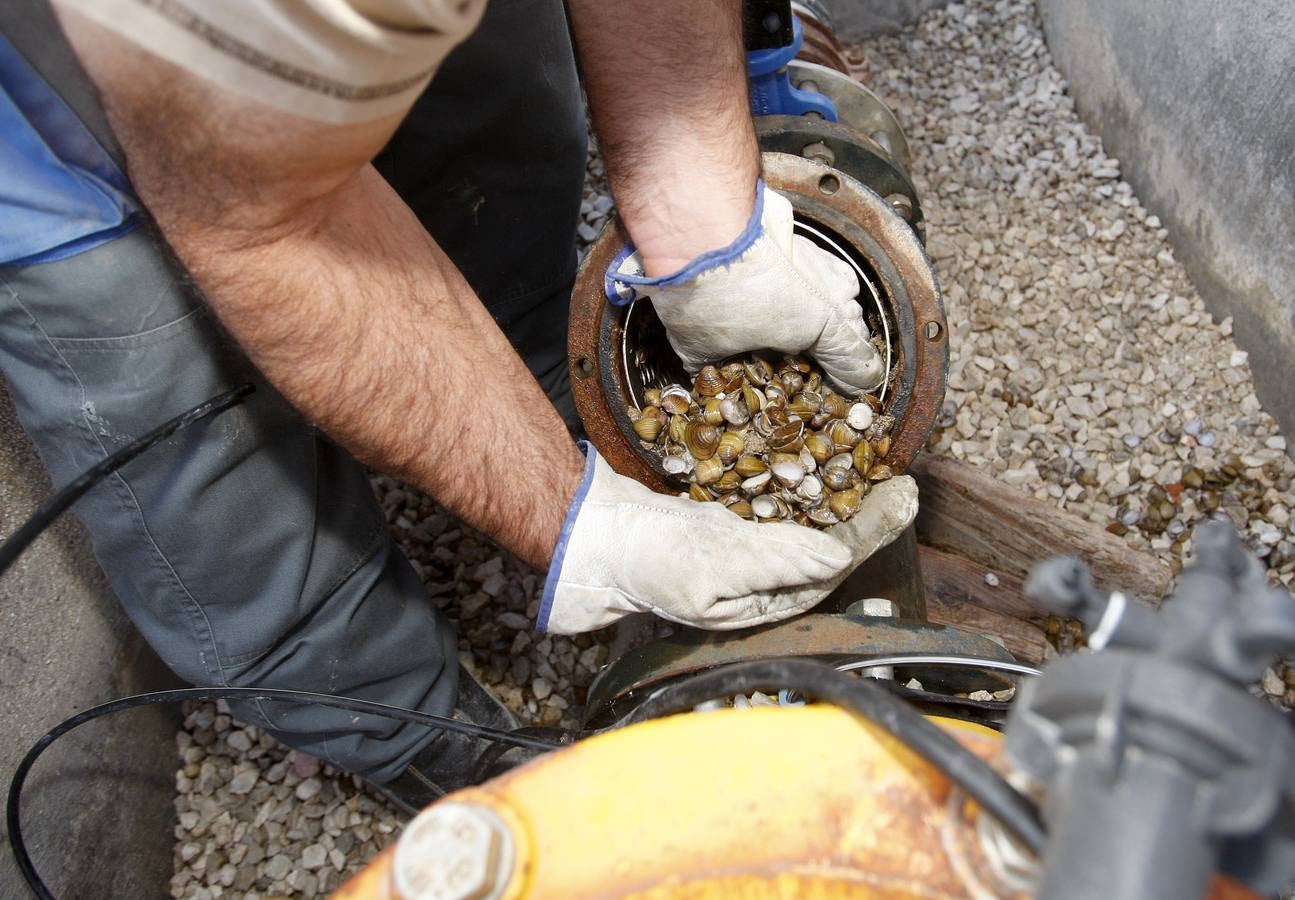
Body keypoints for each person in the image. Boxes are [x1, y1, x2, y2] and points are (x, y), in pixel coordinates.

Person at [0, 0, 918, 813]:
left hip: (275, 81)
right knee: (218, 468)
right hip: (68, 143)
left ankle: (531, 396)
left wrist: (706, 232)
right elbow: (276, 228)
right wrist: (581, 528)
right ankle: (405, 726)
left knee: (490, 123)